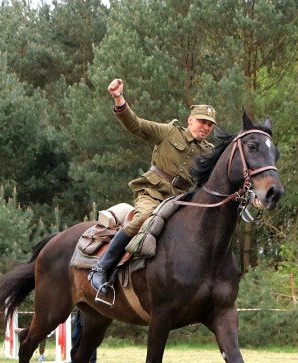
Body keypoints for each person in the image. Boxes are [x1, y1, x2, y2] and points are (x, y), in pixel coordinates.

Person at [89, 78, 217, 296]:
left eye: (209, 124)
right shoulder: (169, 132)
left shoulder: (209, 152)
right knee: (144, 217)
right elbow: (136, 125)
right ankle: (101, 268)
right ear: (190, 120)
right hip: (154, 192)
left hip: (181, 200)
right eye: (201, 122)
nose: (205, 127)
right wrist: (119, 98)